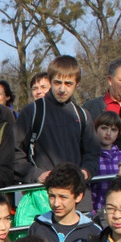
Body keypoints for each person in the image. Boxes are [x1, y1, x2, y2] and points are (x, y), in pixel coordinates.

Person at [14, 56, 100, 187]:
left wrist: (85, 172)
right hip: (42, 191)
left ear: (77, 84)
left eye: (68, 84)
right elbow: (13, 151)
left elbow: (92, 153)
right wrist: (35, 174)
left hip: (76, 190)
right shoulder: (33, 111)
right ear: (50, 81)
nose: (62, 89)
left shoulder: (83, 115)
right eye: (57, 83)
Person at [27, 164, 100, 242]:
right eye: (52, 196)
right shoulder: (37, 228)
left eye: (63, 197)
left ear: (78, 196)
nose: (56, 203)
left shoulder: (93, 232)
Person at [92, 111, 121, 210]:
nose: (108, 133)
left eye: (113, 130)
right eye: (104, 128)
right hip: (95, 209)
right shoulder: (90, 156)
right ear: (95, 129)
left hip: (117, 209)